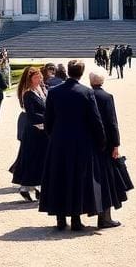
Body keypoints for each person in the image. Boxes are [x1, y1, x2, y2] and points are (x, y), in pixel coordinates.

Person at [39, 60, 106, 232]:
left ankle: (60, 218)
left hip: (59, 141)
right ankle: (76, 219)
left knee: (59, 177)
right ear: (81, 73)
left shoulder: (54, 92)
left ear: (68, 72)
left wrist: (53, 136)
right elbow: (95, 120)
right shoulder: (86, 92)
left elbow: (48, 120)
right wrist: (101, 141)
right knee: (77, 179)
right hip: (80, 142)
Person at [88, 67, 130, 228]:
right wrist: (116, 145)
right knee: (108, 180)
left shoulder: (86, 95)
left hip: (90, 143)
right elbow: (112, 123)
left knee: (94, 180)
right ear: (103, 81)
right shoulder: (106, 97)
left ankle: (99, 215)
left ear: (91, 81)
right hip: (105, 144)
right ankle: (105, 217)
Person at [9, 66, 48, 201]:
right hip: (34, 130)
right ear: (30, 79)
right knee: (32, 158)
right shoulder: (28, 93)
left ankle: (38, 187)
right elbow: (32, 114)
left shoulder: (42, 90)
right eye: (37, 77)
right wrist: (48, 118)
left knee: (41, 159)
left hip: (43, 130)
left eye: (40, 77)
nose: (40, 79)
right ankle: (26, 187)